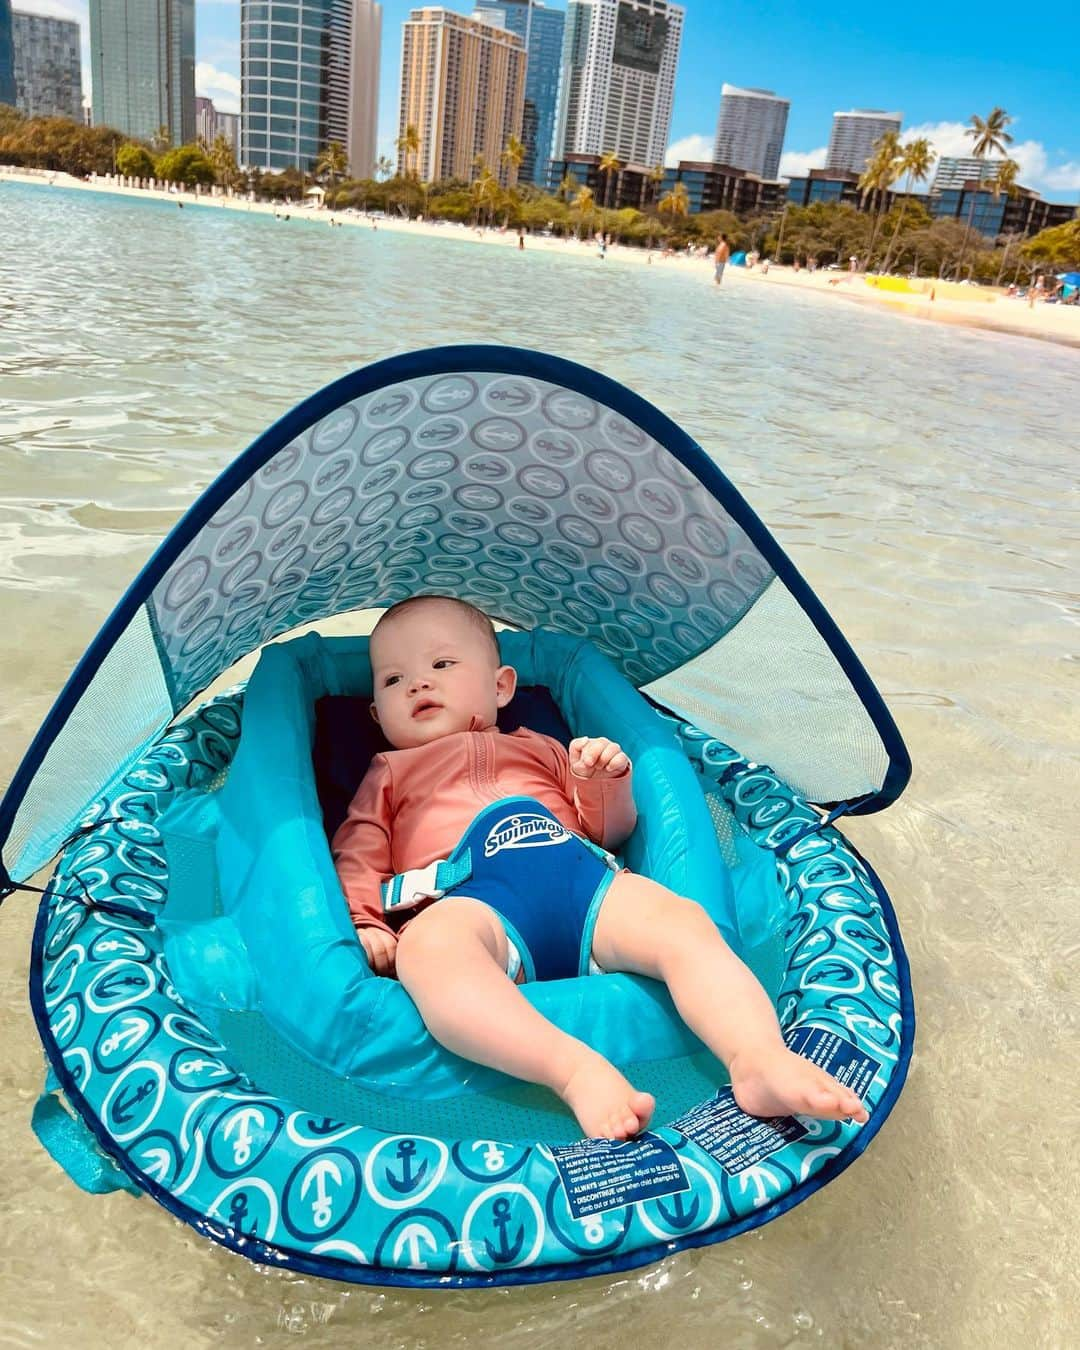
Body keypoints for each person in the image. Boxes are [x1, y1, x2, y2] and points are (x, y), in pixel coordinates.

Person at [332, 596, 869, 1141]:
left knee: (683, 924)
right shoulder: (390, 772)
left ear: (501, 687)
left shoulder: (545, 749)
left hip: (584, 880)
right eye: (394, 679)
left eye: (441, 665)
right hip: (469, 898)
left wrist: (602, 783)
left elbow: (607, 832)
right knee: (430, 954)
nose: (418, 685)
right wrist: (367, 921)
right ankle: (572, 1071)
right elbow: (359, 850)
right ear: (376, 714)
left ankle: (757, 1059)